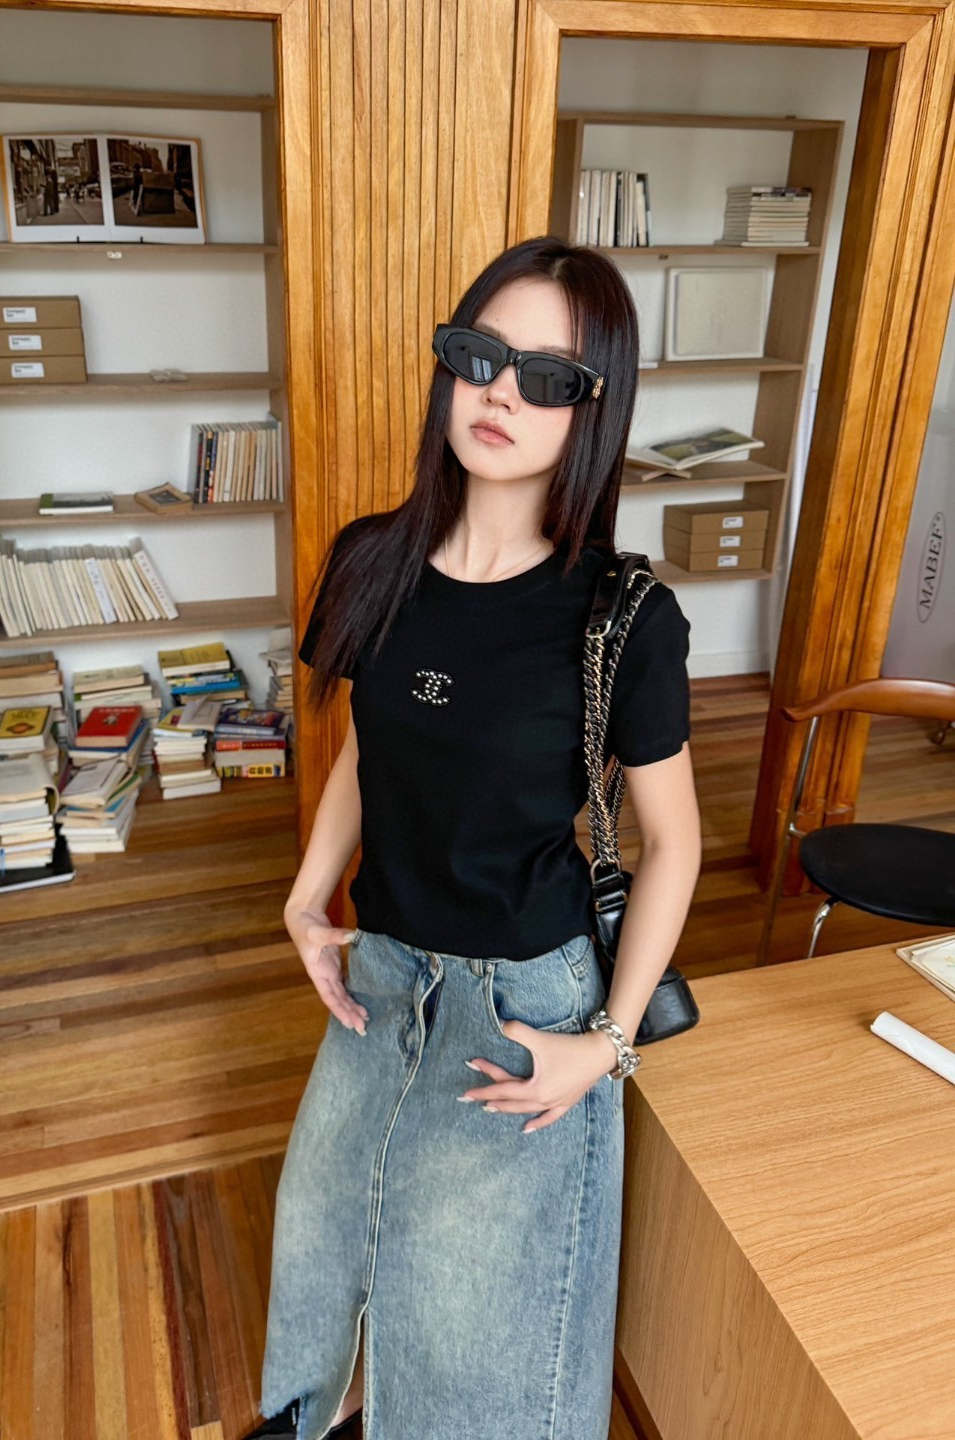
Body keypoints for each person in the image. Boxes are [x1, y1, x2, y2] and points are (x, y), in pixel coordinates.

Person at [248, 235, 703, 1440]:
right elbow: (369, 751)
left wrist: (607, 1046)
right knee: (322, 1243)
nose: (502, 392)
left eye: (549, 377)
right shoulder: (372, 560)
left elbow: (674, 846)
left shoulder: (624, 616)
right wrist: (308, 898)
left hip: (524, 1004)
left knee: (477, 1326)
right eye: (481, 355)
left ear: (592, 410)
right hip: (382, 978)